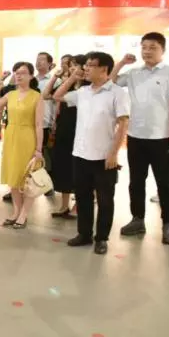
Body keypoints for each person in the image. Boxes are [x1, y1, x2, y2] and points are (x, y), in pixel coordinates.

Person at [110, 32, 169, 245]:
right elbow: (111, 81)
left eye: (152, 47)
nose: (147, 51)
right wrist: (121, 63)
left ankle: (168, 224)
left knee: (165, 183)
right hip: (136, 137)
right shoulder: (134, 73)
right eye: (144, 47)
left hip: (162, 138)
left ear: (163, 50)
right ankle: (137, 219)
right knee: (136, 182)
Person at [54, 52, 129, 255]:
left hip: (104, 156)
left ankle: (102, 238)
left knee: (105, 200)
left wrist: (113, 153)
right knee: (82, 197)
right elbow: (57, 96)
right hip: (80, 154)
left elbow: (123, 124)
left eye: (90, 65)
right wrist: (72, 77)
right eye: (85, 65)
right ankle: (84, 234)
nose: (85, 68)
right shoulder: (83, 92)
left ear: (104, 69)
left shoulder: (117, 93)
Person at [0, 62, 44, 229]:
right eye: (16, 72)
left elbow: (39, 124)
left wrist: (39, 149)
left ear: (31, 76)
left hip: (28, 137)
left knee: (27, 179)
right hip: (11, 136)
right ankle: (16, 212)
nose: (18, 75)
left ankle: (23, 214)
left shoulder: (37, 96)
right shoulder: (10, 94)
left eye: (23, 72)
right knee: (14, 177)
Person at [41, 54, 88, 218]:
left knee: (79, 170)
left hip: (80, 132)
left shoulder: (88, 87)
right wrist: (56, 77)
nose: (72, 68)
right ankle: (64, 205)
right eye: (71, 65)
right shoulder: (68, 85)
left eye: (75, 65)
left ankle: (78, 205)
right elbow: (46, 95)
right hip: (63, 130)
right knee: (63, 168)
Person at [35, 52, 57, 196]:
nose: (39, 62)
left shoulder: (55, 80)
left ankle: (48, 186)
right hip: (32, 123)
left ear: (50, 63)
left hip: (47, 123)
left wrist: (55, 121)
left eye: (42, 60)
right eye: (37, 60)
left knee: (47, 156)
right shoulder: (32, 80)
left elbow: (57, 102)